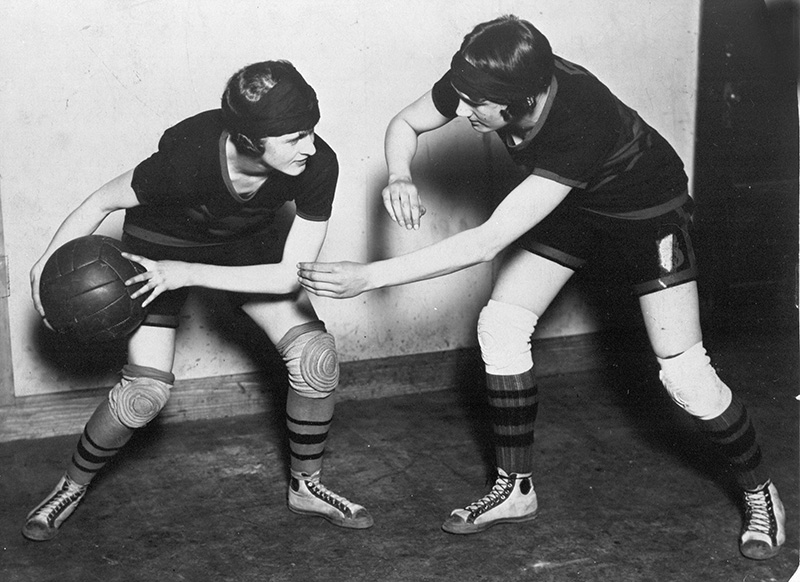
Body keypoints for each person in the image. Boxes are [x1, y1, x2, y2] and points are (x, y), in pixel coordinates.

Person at [297, 15, 785, 559]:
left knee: (685, 376)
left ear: (522, 100)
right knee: (501, 325)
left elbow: (487, 242)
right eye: (461, 97)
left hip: (647, 213)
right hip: (578, 201)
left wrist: (371, 276)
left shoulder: (580, 118)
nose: (461, 111)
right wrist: (399, 175)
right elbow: (405, 124)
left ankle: (760, 492)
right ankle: (516, 488)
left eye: (476, 105)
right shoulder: (485, 80)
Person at [24, 60, 373, 541]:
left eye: (311, 131)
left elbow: (285, 276)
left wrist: (188, 273)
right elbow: (101, 202)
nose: (310, 147)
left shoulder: (317, 164)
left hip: (240, 245)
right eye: (295, 138)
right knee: (143, 397)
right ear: (250, 140)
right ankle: (71, 484)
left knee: (316, 358)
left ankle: (306, 487)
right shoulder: (188, 157)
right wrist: (46, 264)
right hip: (158, 247)